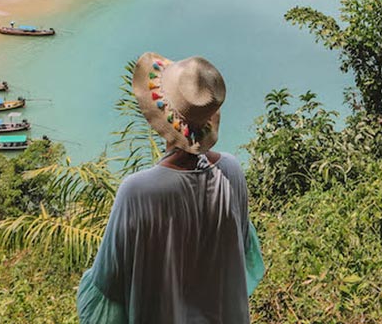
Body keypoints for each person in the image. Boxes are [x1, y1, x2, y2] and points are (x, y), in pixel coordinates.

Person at [77, 53, 265, 324]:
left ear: (161, 116)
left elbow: (107, 285)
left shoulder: (138, 192)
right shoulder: (232, 171)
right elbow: (245, 257)